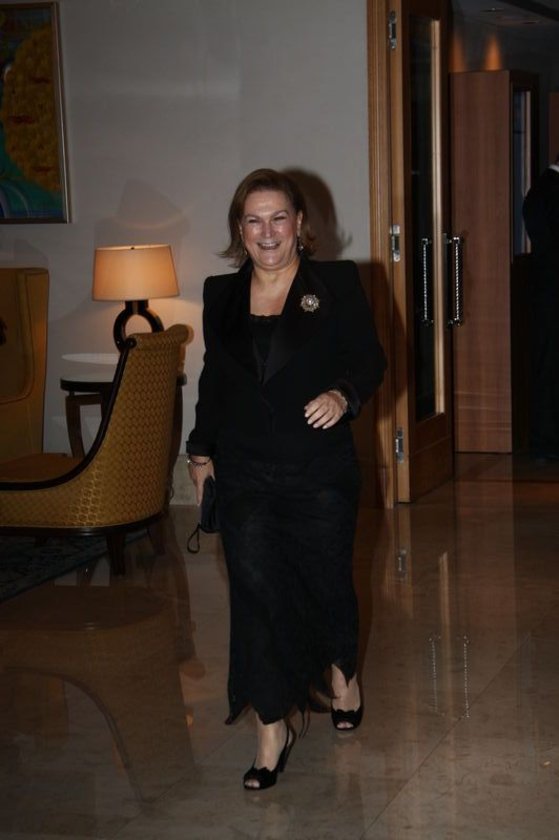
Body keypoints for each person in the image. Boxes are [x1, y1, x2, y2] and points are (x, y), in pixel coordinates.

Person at [186, 168, 386, 790]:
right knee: (254, 595)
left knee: (327, 584)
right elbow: (215, 381)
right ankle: (271, 727)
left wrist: (343, 394)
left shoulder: (336, 284)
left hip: (319, 470)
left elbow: (370, 360)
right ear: (238, 229)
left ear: (300, 224)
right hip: (246, 471)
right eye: (254, 219)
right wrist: (200, 453)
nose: (267, 231)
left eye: (278, 218)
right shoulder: (220, 294)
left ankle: (342, 674)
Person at [522, 155, 559, 460]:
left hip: (546, 290)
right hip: (551, 292)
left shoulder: (540, 191)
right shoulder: (550, 191)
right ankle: (546, 441)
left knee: (547, 364)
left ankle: (545, 440)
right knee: (549, 366)